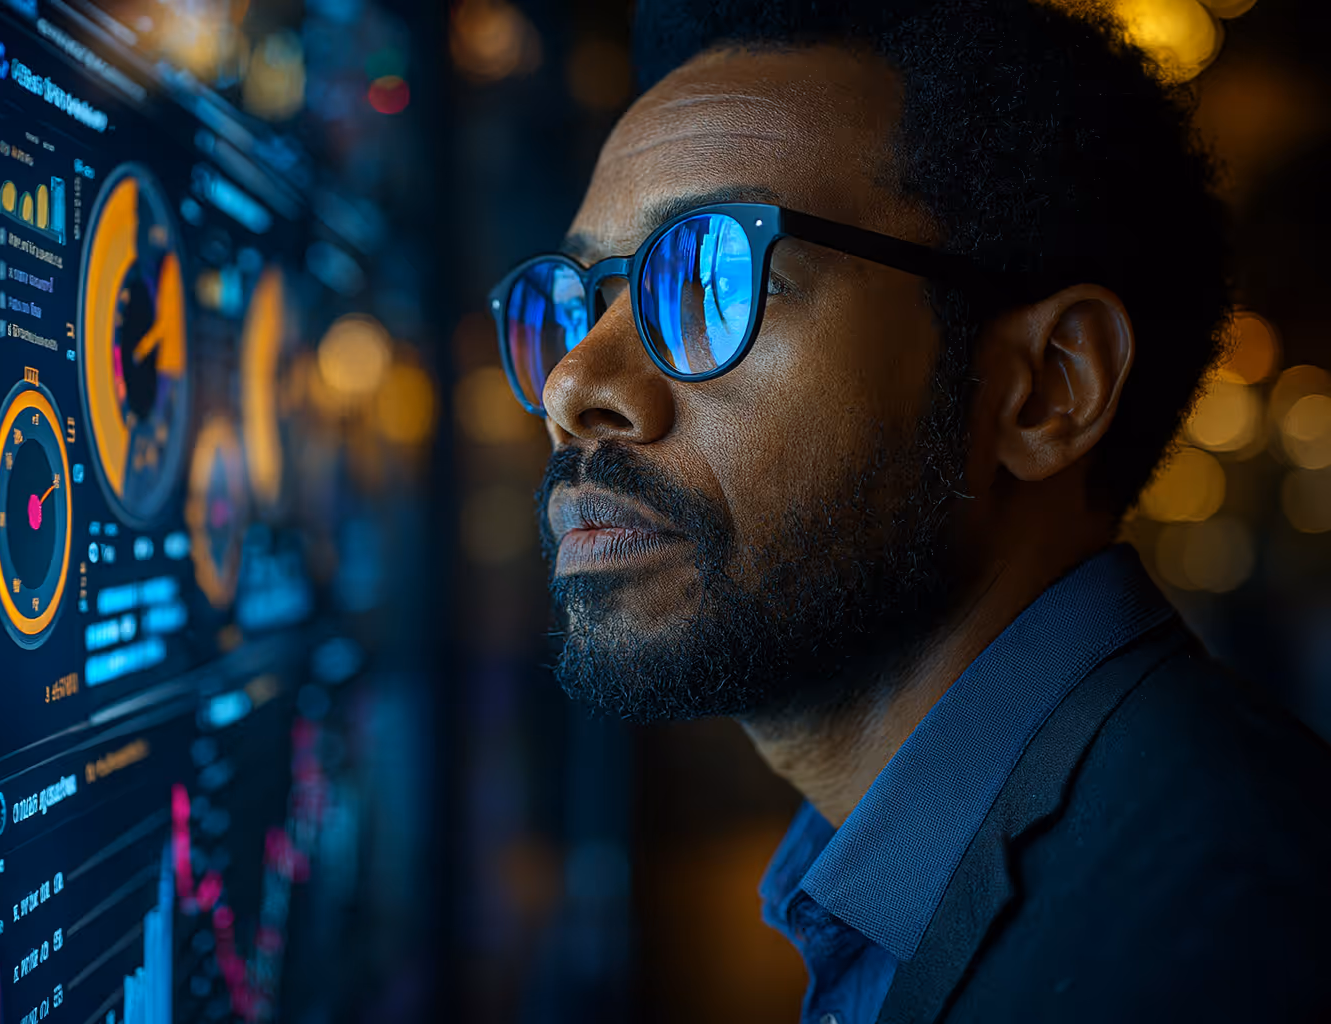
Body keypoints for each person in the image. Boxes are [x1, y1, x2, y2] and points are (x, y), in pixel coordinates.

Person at [486, 0, 1331, 1020]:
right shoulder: (926, 884)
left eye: (708, 279)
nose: (574, 383)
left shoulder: (1223, 940)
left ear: (1045, 388)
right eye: (578, 301)